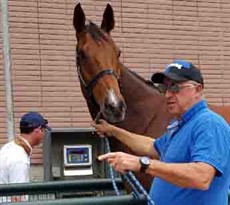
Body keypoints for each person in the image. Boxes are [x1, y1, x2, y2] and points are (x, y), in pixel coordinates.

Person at [91, 59, 230, 205]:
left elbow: (202, 177)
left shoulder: (209, 124)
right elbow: (151, 146)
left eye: (175, 87)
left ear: (197, 89)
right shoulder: (182, 125)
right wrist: (113, 130)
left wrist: (143, 164)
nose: (168, 95)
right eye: (165, 88)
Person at [0, 112, 50, 203]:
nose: (44, 135)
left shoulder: (9, 147)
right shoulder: (19, 158)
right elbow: (16, 197)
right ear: (38, 130)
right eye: (43, 130)